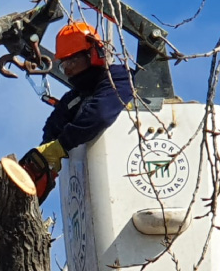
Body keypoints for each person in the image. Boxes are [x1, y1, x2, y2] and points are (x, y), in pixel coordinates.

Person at [19, 21, 134, 203]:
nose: (68, 69)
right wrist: (43, 160)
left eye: (72, 61)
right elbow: (52, 128)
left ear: (93, 54)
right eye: (63, 64)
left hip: (128, 165)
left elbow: (100, 114)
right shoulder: (74, 98)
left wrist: (62, 145)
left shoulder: (119, 78)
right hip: (97, 187)